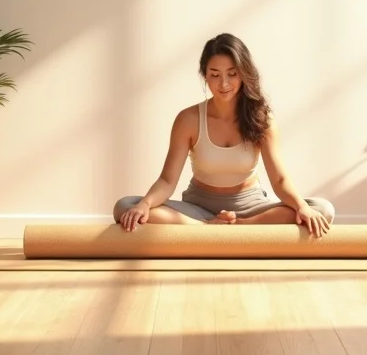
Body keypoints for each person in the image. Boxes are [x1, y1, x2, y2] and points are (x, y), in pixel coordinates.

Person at [113, 33, 335, 237]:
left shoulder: (262, 118)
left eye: (232, 74)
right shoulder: (188, 119)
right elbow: (167, 180)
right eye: (215, 75)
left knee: (322, 210)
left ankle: (240, 227)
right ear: (205, 76)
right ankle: (207, 227)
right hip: (197, 208)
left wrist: (302, 207)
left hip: (251, 208)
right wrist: (144, 204)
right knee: (125, 206)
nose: (224, 83)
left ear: (243, 73)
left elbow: (279, 180)